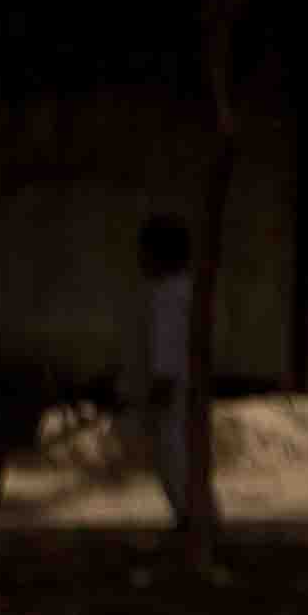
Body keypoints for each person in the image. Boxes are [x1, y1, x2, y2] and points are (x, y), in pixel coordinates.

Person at [132, 210, 211, 548]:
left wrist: (156, 395)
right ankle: (194, 526)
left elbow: (166, 352)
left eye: (145, 251)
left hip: (172, 392)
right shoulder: (189, 291)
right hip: (186, 392)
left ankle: (192, 528)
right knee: (182, 461)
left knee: (173, 460)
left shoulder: (166, 296)